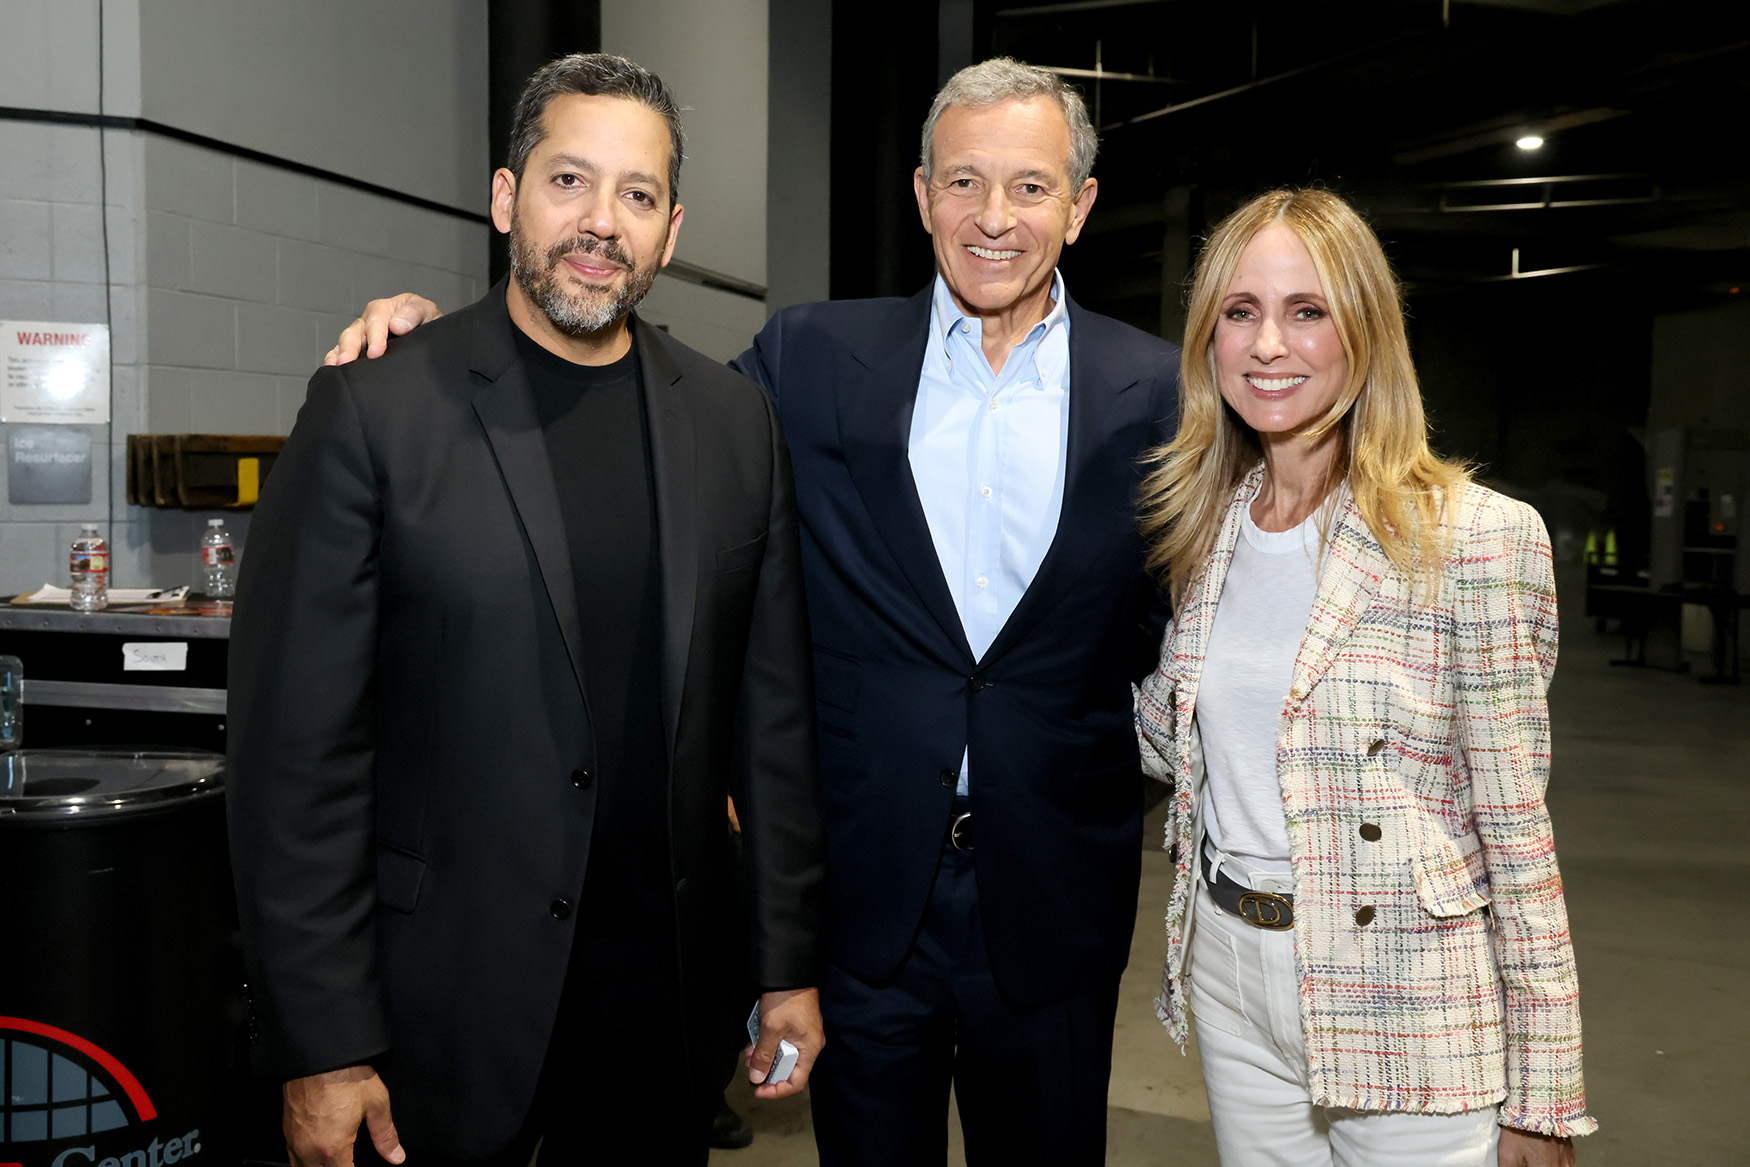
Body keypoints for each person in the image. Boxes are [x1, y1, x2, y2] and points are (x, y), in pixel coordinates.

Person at [329, 57, 1179, 1167]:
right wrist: (438, 346)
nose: (992, 217)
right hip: (864, 905)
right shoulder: (809, 359)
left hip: (1055, 896)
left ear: (1080, 206)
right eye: (962, 181)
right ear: (921, 196)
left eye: (1029, 187)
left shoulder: (1164, 392)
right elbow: (613, 388)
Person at [226, 53, 825, 1167]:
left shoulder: (738, 427)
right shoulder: (376, 408)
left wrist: (784, 963)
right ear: (506, 197)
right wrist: (321, 1042)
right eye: (568, 181)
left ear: (672, 228)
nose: (602, 223)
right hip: (433, 1018)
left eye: (637, 196)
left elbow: (772, 724)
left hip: (663, 1010)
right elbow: (292, 762)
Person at [1132, 188, 1594, 1167]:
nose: (1268, 345)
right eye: (1240, 311)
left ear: (1365, 334)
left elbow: (1517, 832)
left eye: (1307, 312)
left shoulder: (1471, 538)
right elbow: (1177, 741)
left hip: (1407, 989)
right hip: (1226, 970)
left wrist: (1545, 1094)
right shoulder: (1206, 528)